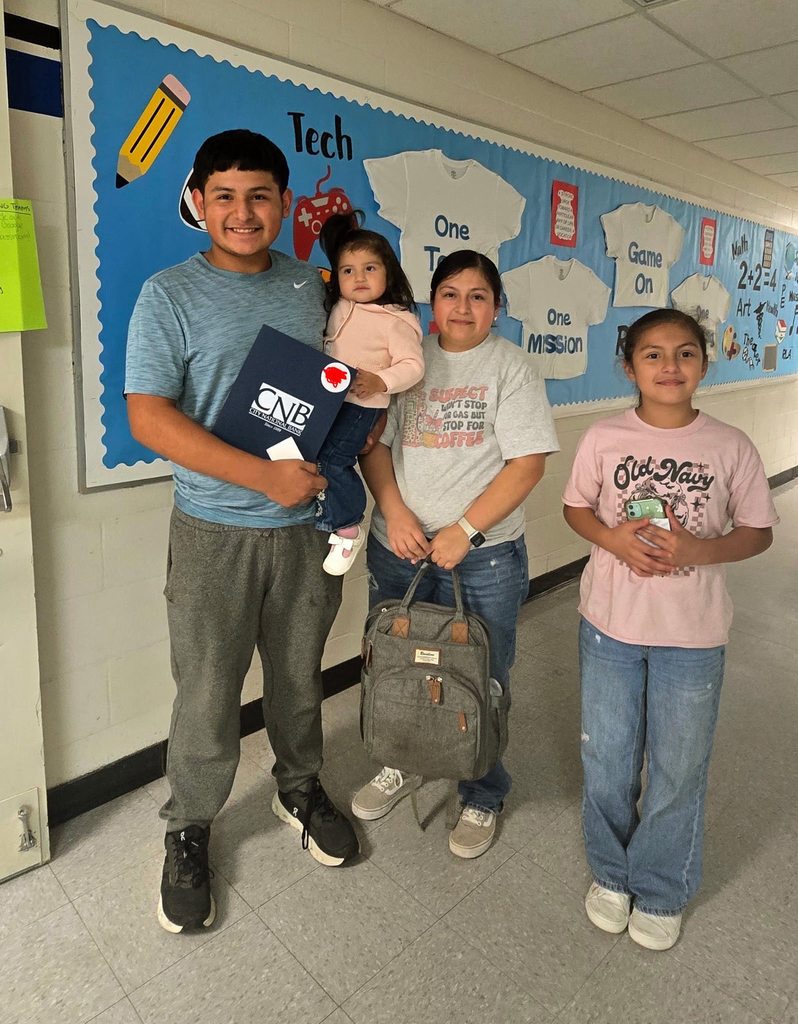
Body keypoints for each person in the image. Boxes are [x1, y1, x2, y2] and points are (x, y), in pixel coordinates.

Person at [125, 129, 360, 935]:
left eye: (259, 195)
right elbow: (148, 416)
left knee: (299, 675)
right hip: (213, 531)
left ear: (284, 204)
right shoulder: (168, 295)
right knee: (207, 689)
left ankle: (300, 785)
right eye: (223, 195)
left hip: (307, 532)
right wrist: (261, 475)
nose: (242, 211)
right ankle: (189, 824)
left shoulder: (315, 287)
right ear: (198, 202)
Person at [562, 307, 777, 950]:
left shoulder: (730, 445)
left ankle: (660, 887)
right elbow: (576, 509)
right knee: (607, 757)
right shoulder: (603, 436)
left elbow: (758, 531)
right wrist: (613, 540)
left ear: (705, 364)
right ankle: (610, 873)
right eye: (652, 354)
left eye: (685, 353)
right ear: (629, 367)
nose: (669, 366)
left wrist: (697, 551)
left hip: (694, 632)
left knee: (680, 766)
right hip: (610, 626)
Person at [351, 250, 559, 858]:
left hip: (483, 555)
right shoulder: (404, 363)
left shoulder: (511, 368)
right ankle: (402, 761)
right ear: (430, 302)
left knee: (481, 677)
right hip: (400, 546)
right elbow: (374, 446)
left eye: (477, 296)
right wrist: (393, 511)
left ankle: (482, 790)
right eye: (449, 293)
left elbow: (527, 464)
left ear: (497, 307)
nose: (462, 307)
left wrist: (464, 529)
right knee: (394, 663)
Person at [315, 211, 424, 575]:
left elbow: (413, 365)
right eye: (348, 270)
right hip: (329, 399)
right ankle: (331, 512)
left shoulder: (395, 320)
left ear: (388, 273)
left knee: (334, 460)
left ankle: (346, 525)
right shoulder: (339, 306)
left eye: (369, 269)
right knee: (316, 456)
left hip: (361, 405)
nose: (358, 278)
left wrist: (381, 381)